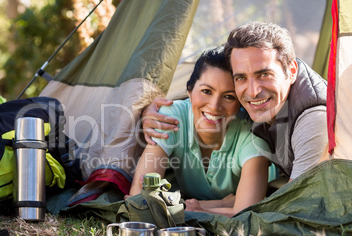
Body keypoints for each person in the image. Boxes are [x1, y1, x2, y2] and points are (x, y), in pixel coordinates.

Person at [142, 21, 328, 181]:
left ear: (292, 71)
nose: (253, 92)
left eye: (264, 74)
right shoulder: (263, 105)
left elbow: (296, 205)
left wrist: (221, 206)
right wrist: (148, 110)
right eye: (241, 78)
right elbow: (209, 100)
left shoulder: (313, 119)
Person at [129, 46, 276, 217]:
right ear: (189, 92)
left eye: (229, 96)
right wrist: (219, 204)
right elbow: (140, 198)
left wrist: (196, 208)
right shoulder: (171, 118)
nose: (214, 106)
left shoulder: (253, 134)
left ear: (240, 102)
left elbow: (245, 213)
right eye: (206, 91)